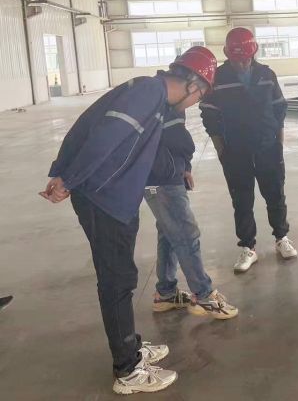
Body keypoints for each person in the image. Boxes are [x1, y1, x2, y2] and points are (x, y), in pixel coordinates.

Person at [40, 46, 217, 395]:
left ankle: (130, 346)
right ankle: (127, 370)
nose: (197, 103)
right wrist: (67, 178)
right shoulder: (147, 93)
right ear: (193, 85)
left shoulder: (151, 96)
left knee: (122, 276)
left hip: (115, 197)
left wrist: (62, 170)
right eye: (202, 95)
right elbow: (102, 137)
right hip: (103, 198)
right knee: (117, 281)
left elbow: (88, 123)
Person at [200, 27, 297, 274]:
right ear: (227, 54)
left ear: (254, 53)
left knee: (275, 194)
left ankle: (281, 238)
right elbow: (209, 114)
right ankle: (248, 247)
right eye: (237, 59)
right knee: (242, 199)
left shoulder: (266, 74)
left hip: (268, 147)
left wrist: (278, 143)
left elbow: (279, 108)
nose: (242, 63)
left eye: (246, 58)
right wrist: (221, 149)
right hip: (235, 151)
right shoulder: (218, 78)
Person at [144, 106, 238, 320]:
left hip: (167, 173)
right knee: (186, 234)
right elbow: (180, 139)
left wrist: (185, 167)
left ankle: (166, 293)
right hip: (161, 177)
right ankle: (203, 295)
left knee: (169, 233)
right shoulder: (163, 101)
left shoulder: (169, 102)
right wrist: (186, 153)